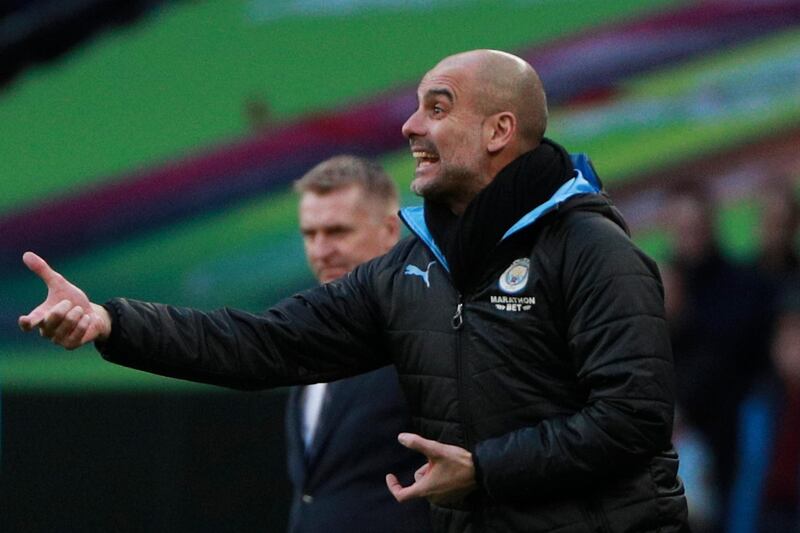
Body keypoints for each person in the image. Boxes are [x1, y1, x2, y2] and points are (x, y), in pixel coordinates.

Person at [19, 49, 688, 532]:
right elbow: (266, 344)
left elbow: (634, 418)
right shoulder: (410, 271)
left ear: (499, 131)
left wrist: (485, 469)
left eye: (437, 107)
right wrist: (108, 320)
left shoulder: (592, 249)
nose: (409, 127)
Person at [283, 155, 431, 532]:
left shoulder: (427, 329)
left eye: (337, 231)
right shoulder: (309, 331)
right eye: (309, 234)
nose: (320, 250)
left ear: (389, 230)